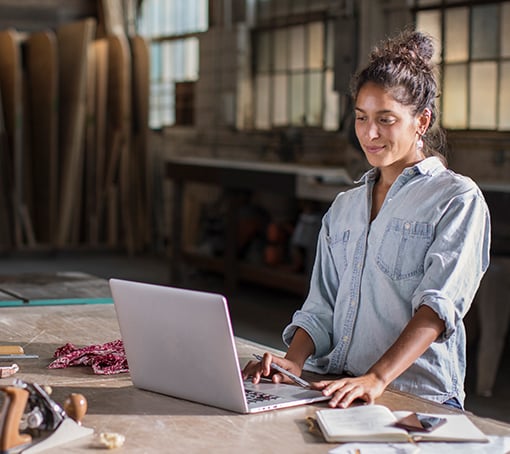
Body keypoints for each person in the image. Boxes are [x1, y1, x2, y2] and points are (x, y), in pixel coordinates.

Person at [242, 29, 491, 410]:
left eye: (386, 119)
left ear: (421, 121)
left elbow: (438, 309)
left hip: (415, 397)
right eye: (361, 118)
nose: (370, 133)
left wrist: (377, 378)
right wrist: (293, 362)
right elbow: (320, 306)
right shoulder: (344, 207)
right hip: (337, 387)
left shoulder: (457, 199)